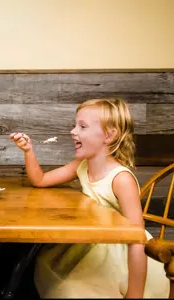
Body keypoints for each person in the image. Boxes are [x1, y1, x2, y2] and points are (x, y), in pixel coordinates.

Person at [10, 98, 169, 298]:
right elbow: (40, 180)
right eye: (75, 125)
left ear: (109, 136)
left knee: (72, 290)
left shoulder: (121, 180)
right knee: (43, 267)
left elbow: (136, 239)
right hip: (89, 242)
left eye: (82, 126)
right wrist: (28, 151)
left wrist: (134, 294)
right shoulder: (82, 164)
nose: (73, 131)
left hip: (118, 253)